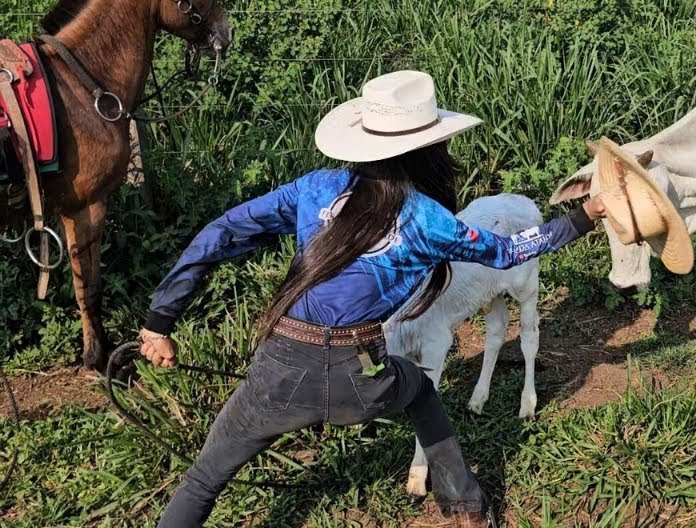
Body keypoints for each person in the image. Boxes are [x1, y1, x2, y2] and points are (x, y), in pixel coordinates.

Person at [137, 71, 609, 528]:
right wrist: (584, 217)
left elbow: (223, 231)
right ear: (428, 149)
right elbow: (509, 251)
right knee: (420, 389)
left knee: (202, 481)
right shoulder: (429, 219)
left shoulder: (315, 188)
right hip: (362, 377)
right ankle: (467, 507)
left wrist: (160, 321)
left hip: (278, 372)